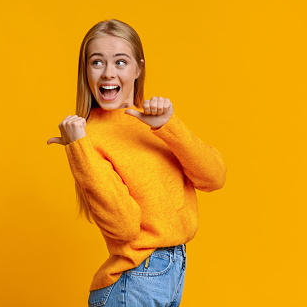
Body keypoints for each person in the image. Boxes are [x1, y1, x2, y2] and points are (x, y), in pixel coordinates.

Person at [46, 19, 226, 307]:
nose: (108, 73)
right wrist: (79, 149)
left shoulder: (155, 120)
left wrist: (170, 126)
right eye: (96, 62)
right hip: (133, 282)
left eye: (120, 62)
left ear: (138, 68)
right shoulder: (88, 137)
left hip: (171, 272)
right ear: (86, 70)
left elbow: (214, 177)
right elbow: (125, 227)